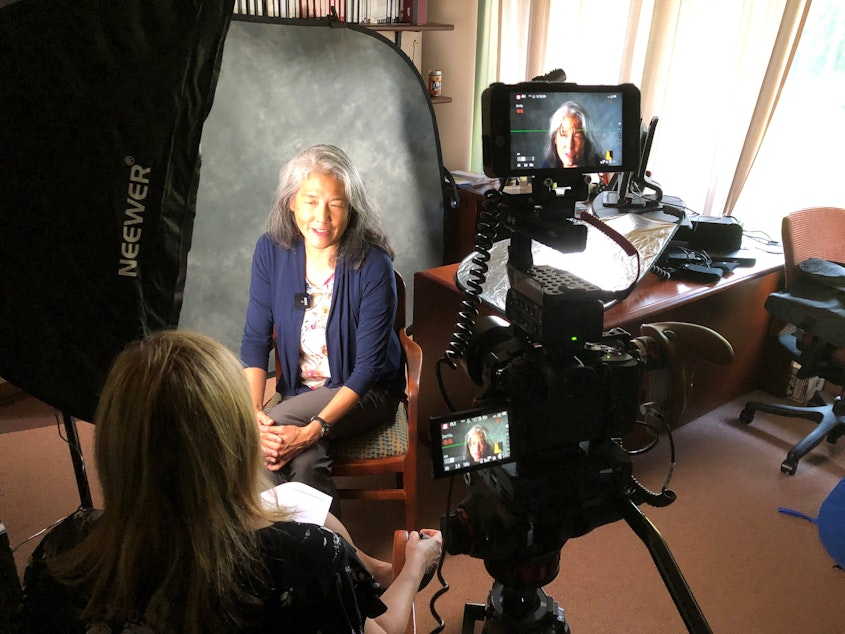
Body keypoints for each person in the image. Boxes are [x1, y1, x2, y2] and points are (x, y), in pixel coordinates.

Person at [15, 329, 441, 633]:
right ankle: (391, 572)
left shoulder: (58, 554)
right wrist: (416, 567)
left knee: (295, 497)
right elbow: (385, 628)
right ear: (233, 442)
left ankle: (377, 570)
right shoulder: (307, 561)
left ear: (112, 442)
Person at [240, 144, 404, 517]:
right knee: (300, 460)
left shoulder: (372, 264)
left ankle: (295, 546)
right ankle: (341, 559)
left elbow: (367, 369)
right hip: (300, 392)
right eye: (311, 201)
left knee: (274, 434)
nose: (323, 217)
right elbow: (254, 342)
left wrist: (312, 429)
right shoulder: (271, 252)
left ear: (351, 209)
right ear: (291, 203)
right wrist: (251, 410)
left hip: (366, 392)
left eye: (336, 204)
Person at [542, 101, 604, 169]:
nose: (570, 145)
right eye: (564, 134)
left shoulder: (602, 169)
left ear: (585, 140)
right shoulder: (546, 169)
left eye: (577, 136)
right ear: (555, 138)